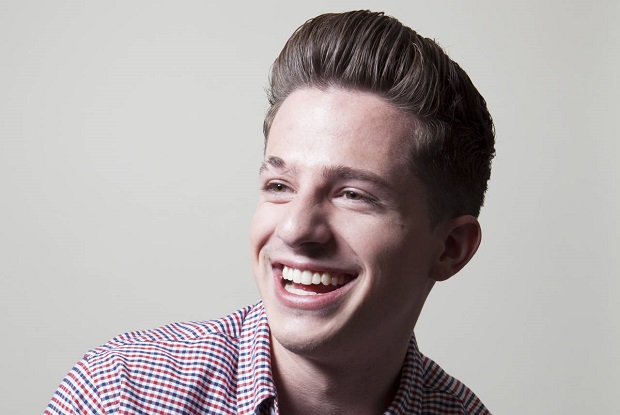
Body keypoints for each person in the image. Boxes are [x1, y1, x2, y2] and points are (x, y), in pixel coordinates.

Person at [45, 10, 495, 415]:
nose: (296, 228)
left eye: (353, 195)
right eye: (280, 187)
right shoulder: (119, 396)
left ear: (450, 248)